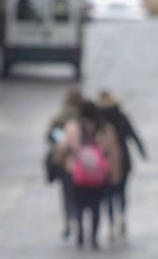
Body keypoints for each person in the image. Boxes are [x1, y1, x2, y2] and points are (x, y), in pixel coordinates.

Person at [53, 101, 122, 249]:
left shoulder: (73, 127)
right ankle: (94, 238)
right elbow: (113, 150)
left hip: (76, 173)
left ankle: (80, 235)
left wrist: (62, 161)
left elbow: (62, 148)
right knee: (96, 207)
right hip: (99, 174)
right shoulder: (104, 128)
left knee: (78, 205)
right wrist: (114, 173)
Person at [97, 90, 146, 240]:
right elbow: (133, 134)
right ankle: (122, 216)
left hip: (104, 160)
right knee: (121, 191)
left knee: (108, 194)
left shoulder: (99, 121)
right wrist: (142, 151)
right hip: (123, 158)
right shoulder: (121, 117)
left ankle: (111, 226)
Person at [45, 87, 83, 240]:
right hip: (79, 160)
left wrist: (61, 142)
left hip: (61, 159)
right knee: (78, 193)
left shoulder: (60, 116)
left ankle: (68, 221)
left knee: (66, 194)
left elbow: (49, 136)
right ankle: (77, 221)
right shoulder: (82, 116)